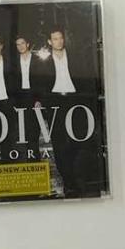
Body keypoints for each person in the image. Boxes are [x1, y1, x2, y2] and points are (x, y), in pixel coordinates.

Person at [40, 27, 104, 197]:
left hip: (75, 101)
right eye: (55, 39)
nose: (59, 41)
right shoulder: (43, 63)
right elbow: (40, 85)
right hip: (56, 102)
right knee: (59, 143)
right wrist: (44, 104)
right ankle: (69, 182)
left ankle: (79, 178)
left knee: (79, 140)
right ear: (49, 42)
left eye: (61, 38)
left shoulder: (76, 58)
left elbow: (86, 80)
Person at [12, 35, 42, 161]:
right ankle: (27, 158)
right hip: (20, 98)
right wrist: (14, 102)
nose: (20, 46)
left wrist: (39, 100)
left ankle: (35, 158)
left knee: (34, 129)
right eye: (18, 44)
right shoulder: (14, 63)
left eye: (22, 43)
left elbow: (42, 82)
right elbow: (12, 83)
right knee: (23, 130)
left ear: (28, 44)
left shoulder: (37, 61)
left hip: (33, 96)